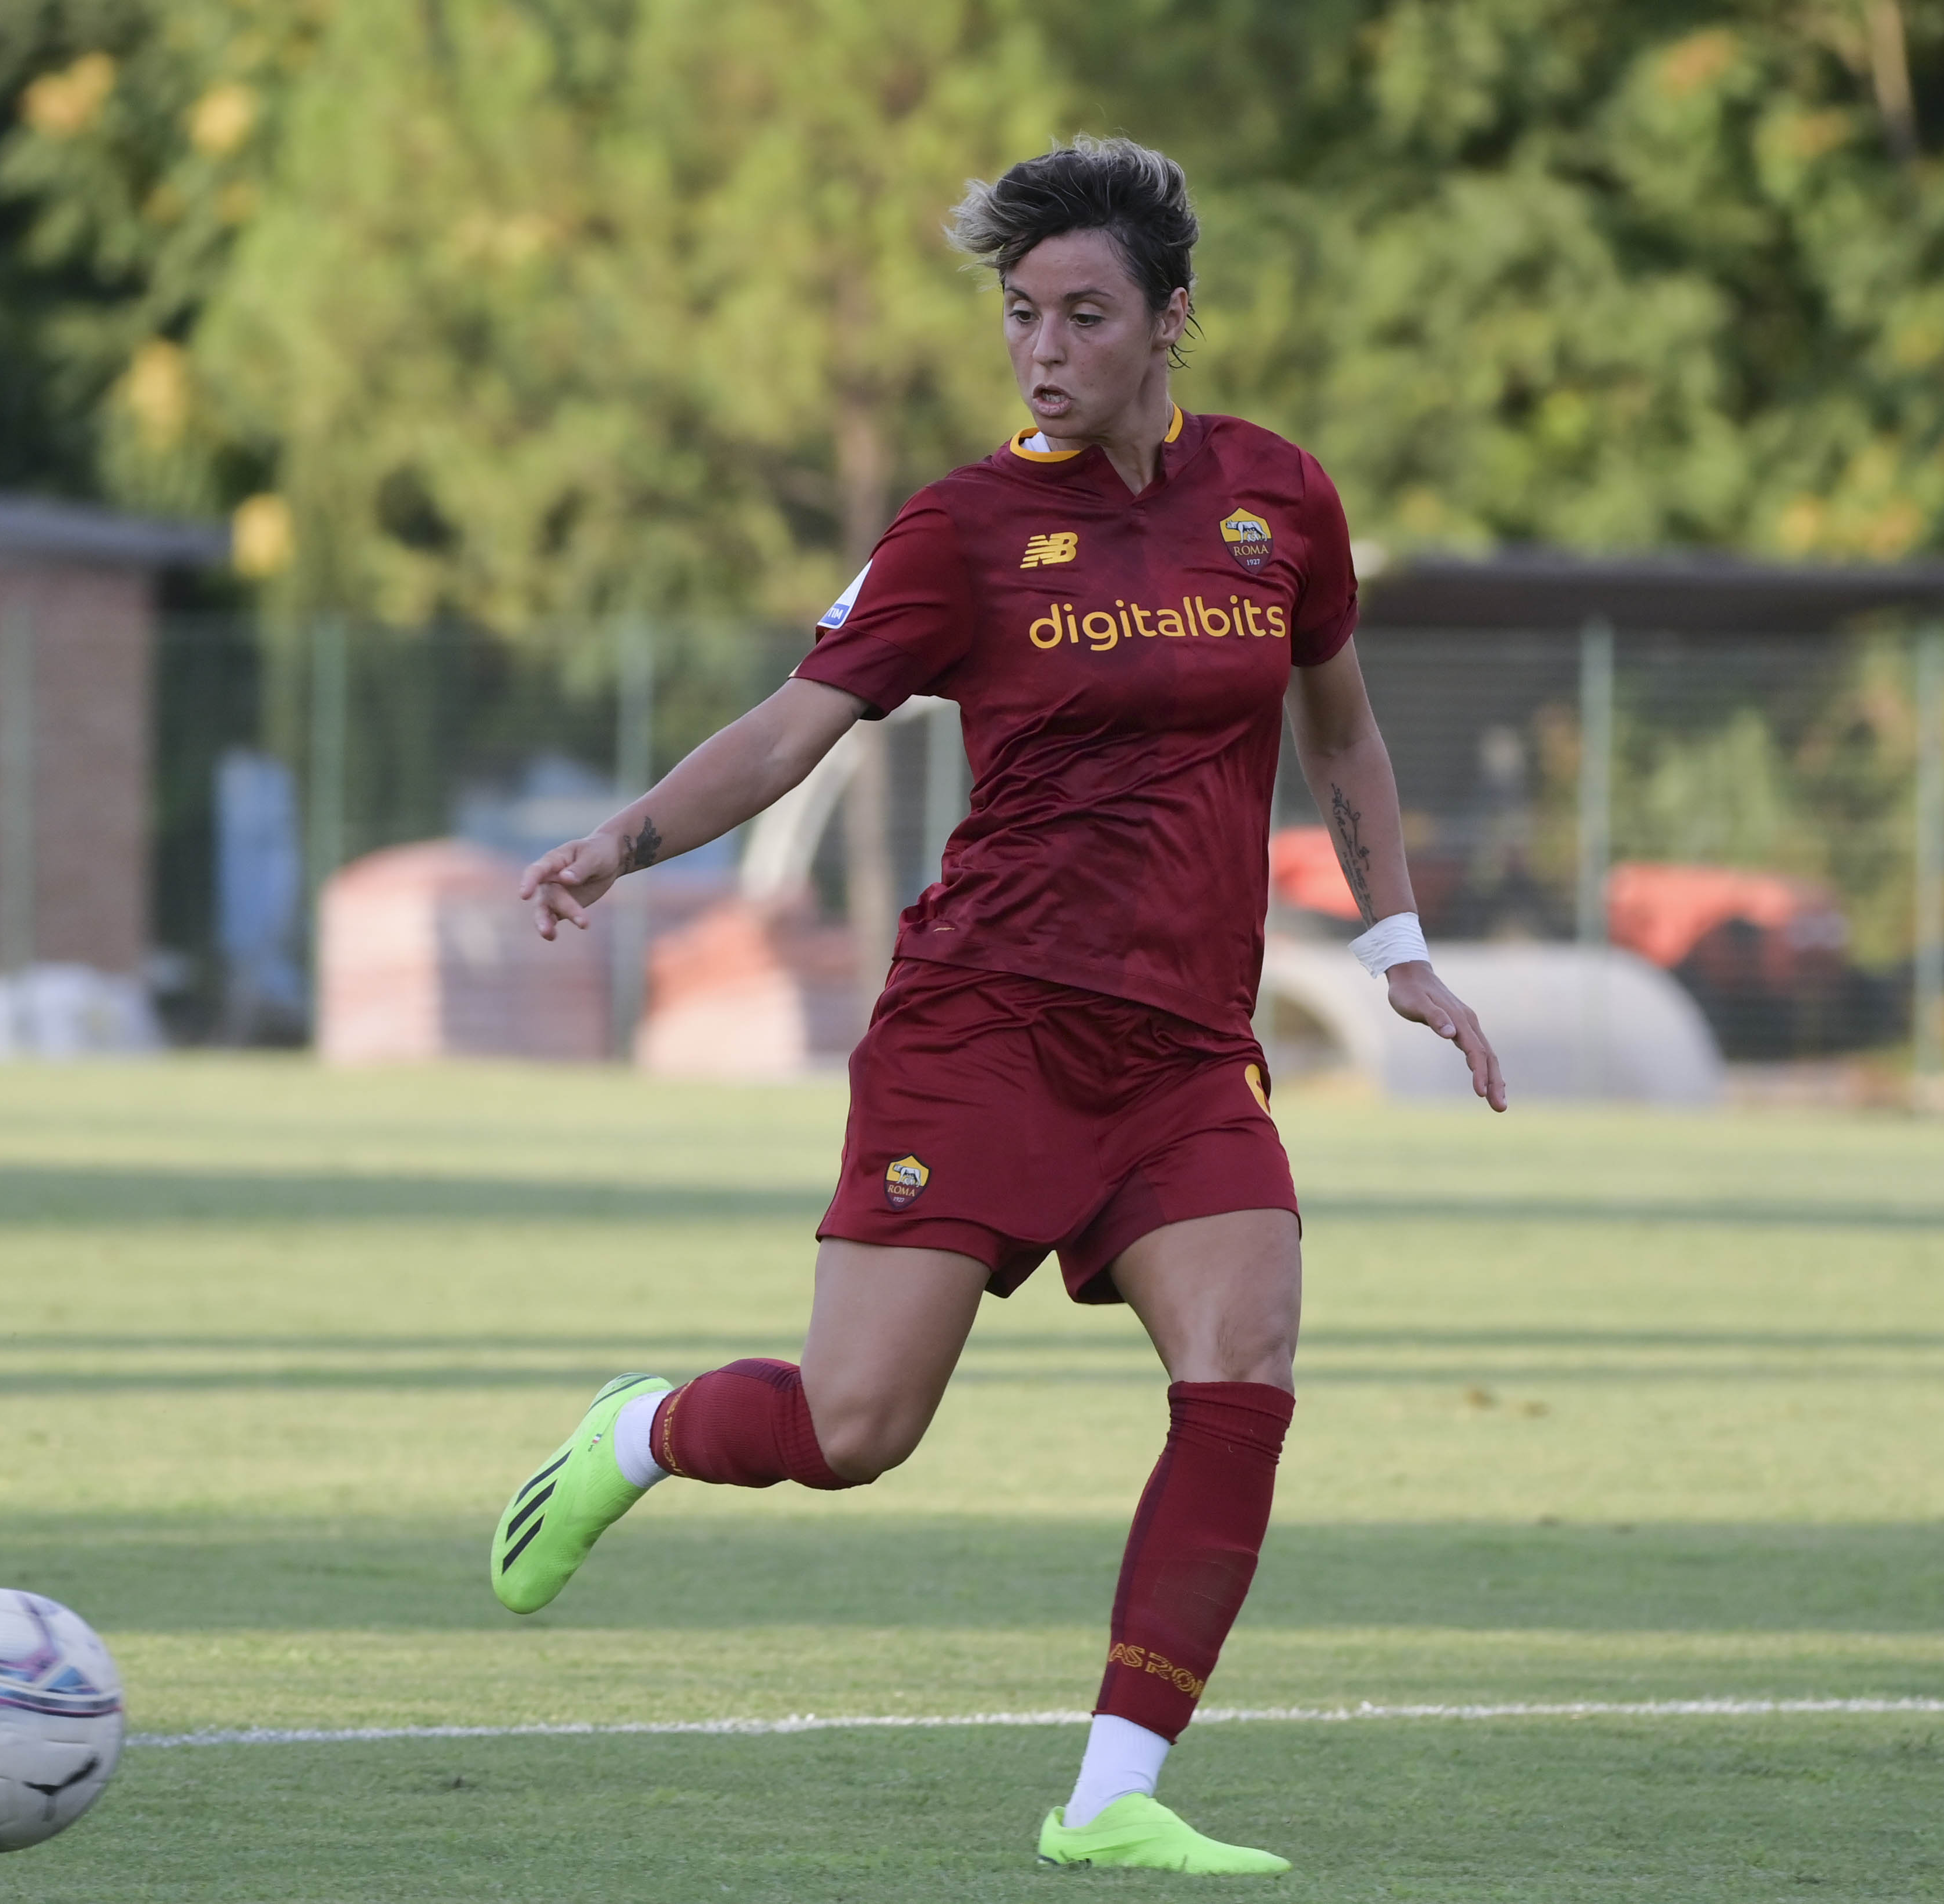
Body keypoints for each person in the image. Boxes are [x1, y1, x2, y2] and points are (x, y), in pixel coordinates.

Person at [494, 136, 1506, 1875]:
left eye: (1083, 313)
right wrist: (622, 840)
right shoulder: (962, 527)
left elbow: (1340, 730)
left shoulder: (1278, 501)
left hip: (1183, 1048)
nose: (1043, 349)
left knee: (1245, 1358)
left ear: (1171, 320)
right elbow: (789, 728)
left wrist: (1395, 938)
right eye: (1021, 315)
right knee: (854, 1426)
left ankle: (1109, 1796)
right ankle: (637, 1429)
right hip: (983, 1029)